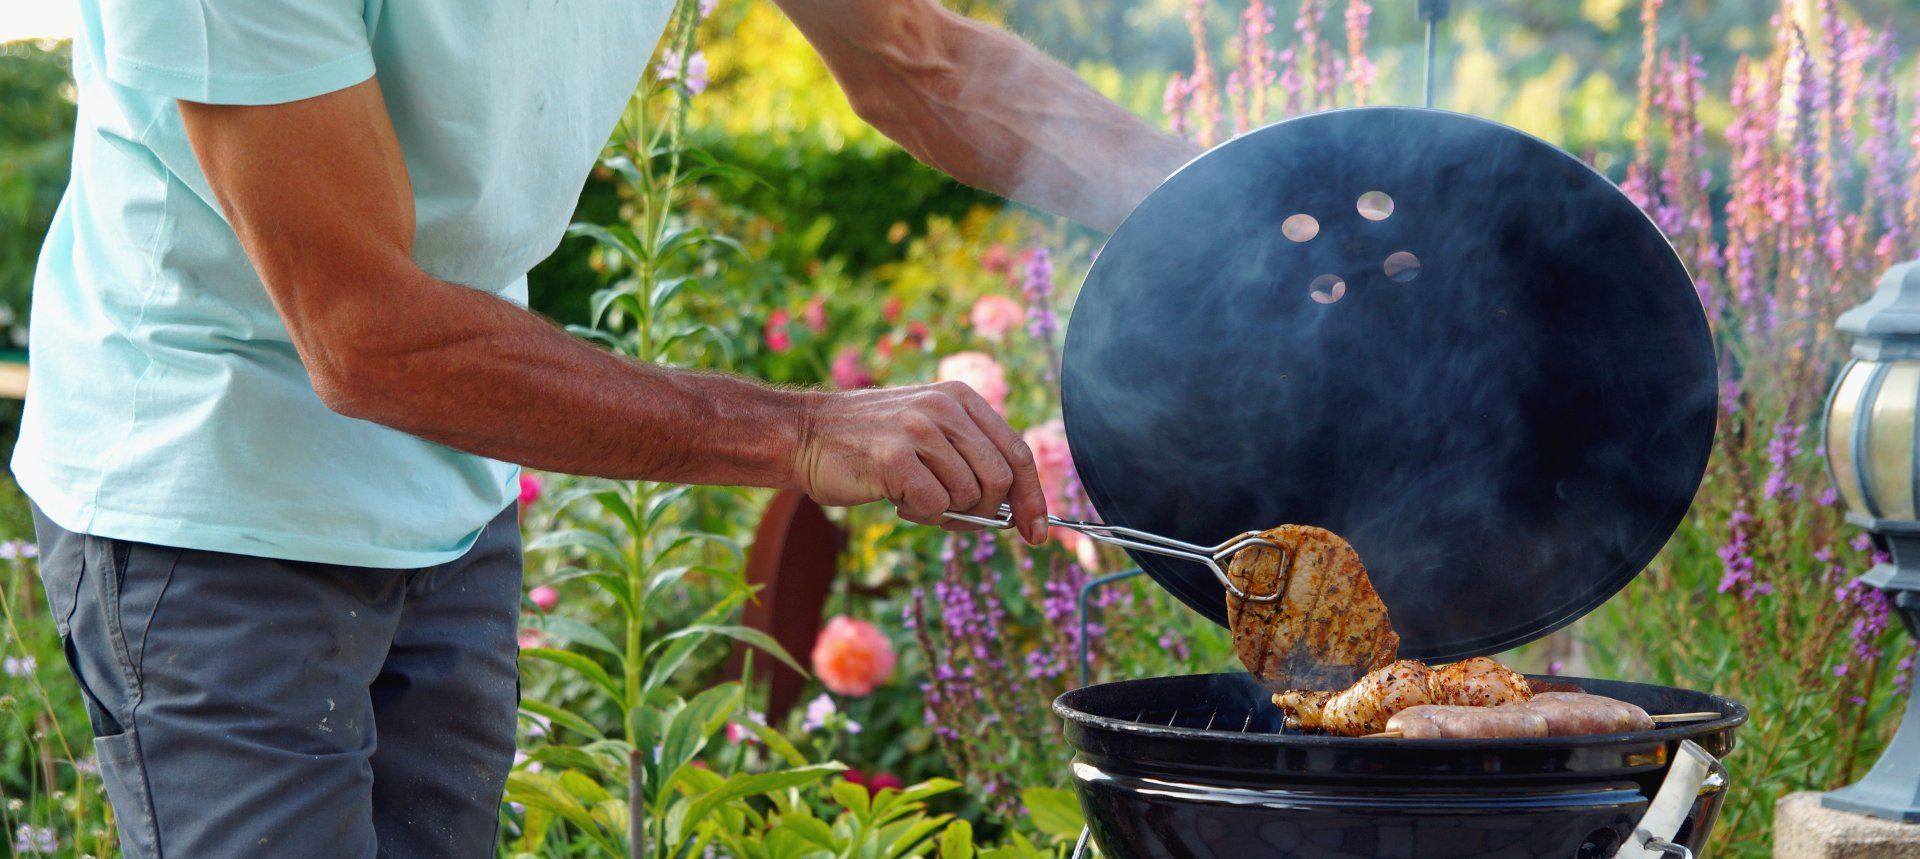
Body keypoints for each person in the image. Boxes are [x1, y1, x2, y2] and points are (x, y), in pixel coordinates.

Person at [12, 0, 1196, 854]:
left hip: (450, 477)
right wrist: (799, 430)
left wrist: (1234, 206)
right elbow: (363, 331)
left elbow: (919, 62)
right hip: (217, 493)